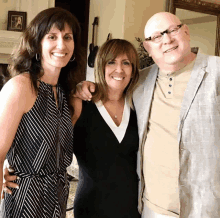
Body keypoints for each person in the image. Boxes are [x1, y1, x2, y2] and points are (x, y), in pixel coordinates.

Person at [71, 12, 220, 218]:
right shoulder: (141, 83)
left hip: (201, 208)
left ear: (185, 31)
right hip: (144, 208)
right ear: (149, 49)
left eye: (172, 30)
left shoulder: (215, 72)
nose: (166, 39)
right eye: (157, 36)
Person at [3, 39, 141, 217]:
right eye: (111, 62)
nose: (119, 69)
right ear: (101, 66)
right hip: (91, 206)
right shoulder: (80, 102)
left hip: (131, 207)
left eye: (126, 63)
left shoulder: (138, 105)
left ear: (133, 70)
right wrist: (7, 163)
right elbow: (45, 135)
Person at [0, 7, 85, 218]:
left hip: (58, 197)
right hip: (23, 199)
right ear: (37, 43)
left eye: (68, 37)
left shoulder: (69, 95)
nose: (61, 45)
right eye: (52, 37)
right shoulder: (21, 87)